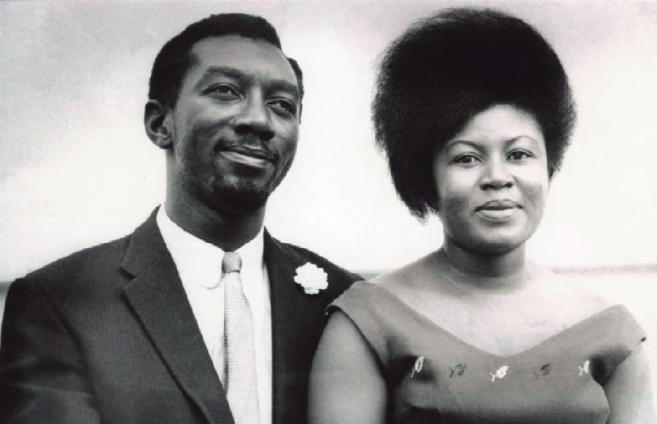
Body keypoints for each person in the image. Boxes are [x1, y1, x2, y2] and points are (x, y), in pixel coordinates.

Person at [0, 13, 361, 424]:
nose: (260, 120)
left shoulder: (346, 302)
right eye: (225, 91)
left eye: (282, 105)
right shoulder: (62, 302)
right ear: (160, 124)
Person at [309, 7, 655, 424]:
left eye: (519, 154)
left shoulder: (611, 333)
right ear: (425, 175)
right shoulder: (368, 322)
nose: (497, 177)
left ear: (549, 164)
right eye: (467, 158)